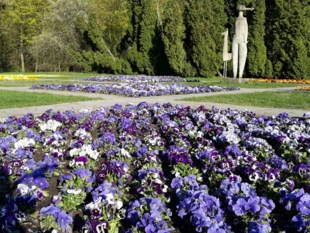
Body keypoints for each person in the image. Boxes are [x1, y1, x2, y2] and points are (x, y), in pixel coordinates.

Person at [232, 5, 254, 79]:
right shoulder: (236, 19)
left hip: (241, 38)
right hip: (235, 38)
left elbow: (246, 30)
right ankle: (235, 75)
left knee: (242, 57)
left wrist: (245, 39)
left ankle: (240, 75)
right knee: (235, 57)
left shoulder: (244, 19)